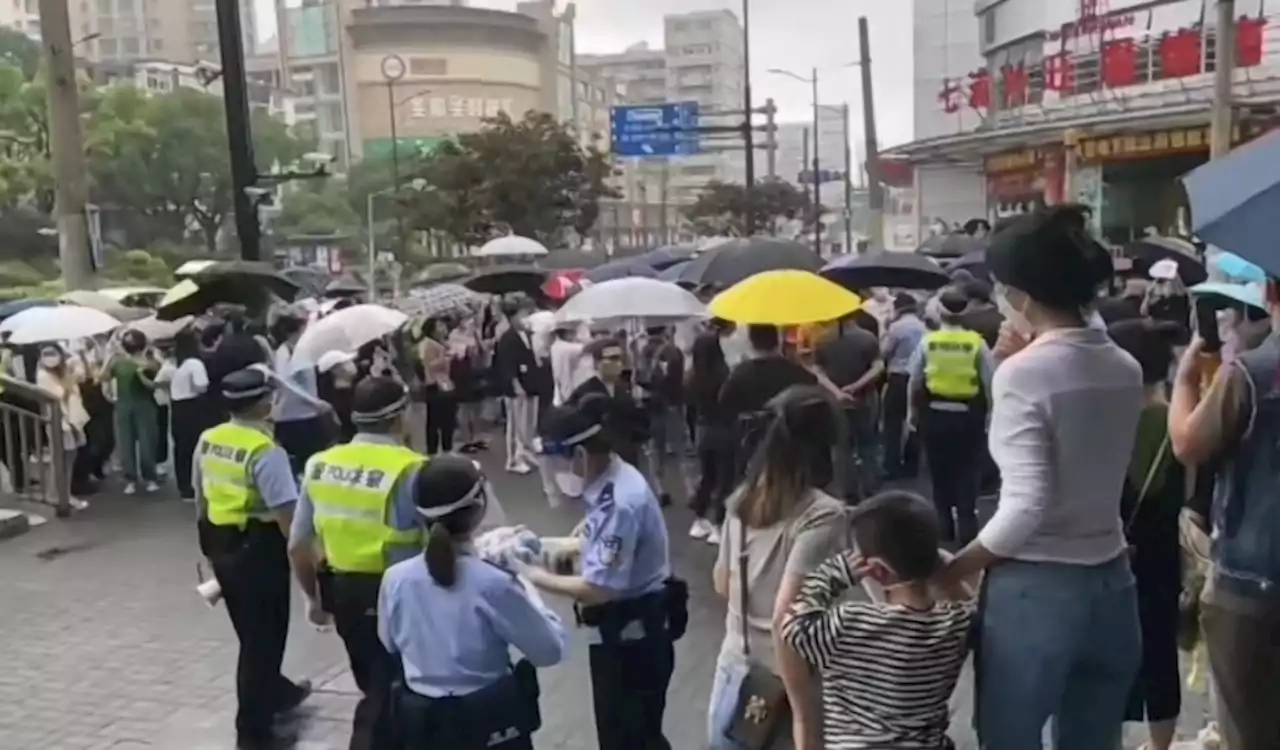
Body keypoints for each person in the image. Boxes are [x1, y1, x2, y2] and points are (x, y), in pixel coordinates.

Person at [934, 206, 1143, 750]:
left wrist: (956, 566)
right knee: (1093, 737)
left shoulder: (1022, 375)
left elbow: (1026, 507)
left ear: (1021, 296)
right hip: (1114, 584)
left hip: (1037, 592)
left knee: (1009, 737)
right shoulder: (1125, 367)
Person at [521, 395, 685, 750]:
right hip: (630, 632)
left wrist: (530, 575)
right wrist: (540, 546)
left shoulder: (620, 502)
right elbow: (591, 540)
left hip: (633, 639)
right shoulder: (613, 478)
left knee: (628, 739)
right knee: (638, 736)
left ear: (579, 456)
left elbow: (598, 587)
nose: (553, 472)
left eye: (556, 462)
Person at [381, 454, 567, 749]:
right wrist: (526, 582)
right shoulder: (494, 583)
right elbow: (550, 651)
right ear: (479, 507)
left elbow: (390, 643)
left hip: (422, 726)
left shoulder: (395, 578)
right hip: (487, 724)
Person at [1167, 271, 1280, 750]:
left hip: (1253, 581)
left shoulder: (1253, 372)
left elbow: (1187, 443)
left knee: (1251, 730)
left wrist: (1187, 378)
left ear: (1270, 294)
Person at [707, 385, 848, 750]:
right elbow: (788, 620)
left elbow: (722, 583)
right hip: (788, 684)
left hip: (734, 672)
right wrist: (805, 718)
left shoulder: (742, 498)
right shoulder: (822, 515)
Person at [289, 377, 426, 750]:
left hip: (344, 592)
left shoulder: (320, 464)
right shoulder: (413, 468)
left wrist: (314, 600)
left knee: (372, 680)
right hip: (401, 594)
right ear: (400, 416)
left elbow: (298, 545)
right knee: (392, 690)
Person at [781, 491, 975, 750]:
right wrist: (939, 567)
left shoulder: (849, 624)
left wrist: (835, 573)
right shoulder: (956, 625)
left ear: (878, 570)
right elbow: (970, 605)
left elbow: (793, 624)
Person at [194, 367, 311, 749]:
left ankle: (278, 692)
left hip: (221, 543)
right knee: (263, 641)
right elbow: (288, 522)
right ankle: (255, 734)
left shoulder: (209, 439)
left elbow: (201, 496)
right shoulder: (266, 452)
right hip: (259, 550)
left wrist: (210, 549)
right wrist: (308, 570)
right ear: (264, 403)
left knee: (251, 632)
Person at [1106, 319, 1186, 750]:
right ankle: (1161, 747)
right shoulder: (1183, 423)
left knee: (1105, 659)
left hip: (1110, 554)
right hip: (1164, 557)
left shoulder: (1103, 424)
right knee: (1160, 655)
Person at [908, 287, 995, 546]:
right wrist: (991, 415)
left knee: (939, 473)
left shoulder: (928, 341)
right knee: (968, 472)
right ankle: (968, 528)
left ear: (940, 311)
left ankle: (944, 526)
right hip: (969, 416)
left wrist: (911, 414)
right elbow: (990, 382)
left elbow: (915, 381)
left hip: (935, 416)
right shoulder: (976, 342)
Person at [718, 325, 817, 472]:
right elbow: (813, 387)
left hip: (753, 444)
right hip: (790, 442)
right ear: (778, 341)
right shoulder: (794, 371)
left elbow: (723, 401)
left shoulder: (741, 372)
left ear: (751, 342)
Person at [815, 314, 885, 500]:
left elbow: (818, 371)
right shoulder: (867, 338)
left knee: (841, 447)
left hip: (835, 402)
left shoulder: (822, 340)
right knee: (868, 444)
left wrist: (837, 392)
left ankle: (848, 491)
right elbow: (878, 367)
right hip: (864, 398)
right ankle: (870, 488)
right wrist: (856, 386)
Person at [567, 337, 648, 469]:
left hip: (626, 460)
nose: (619, 364)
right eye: (612, 358)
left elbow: (638, 426)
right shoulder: (584, 393)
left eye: (621, 359)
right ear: (597, 363)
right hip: (598, 463)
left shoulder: (624, 389)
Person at [271, 312, 335, 475]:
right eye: (302, 331)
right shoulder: (284, 352)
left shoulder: (303, 351)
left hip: (309, 413)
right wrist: (313, 401)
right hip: (292, 416)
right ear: (291, 333)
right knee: (299, 460)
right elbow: (285, 382)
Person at [687, 330, 732, 545]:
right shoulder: (724, 374)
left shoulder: (692, 376)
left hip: (702, 430)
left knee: (707, 477)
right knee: (724, 479)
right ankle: (718, 524)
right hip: (724, 429)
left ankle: (699, 519)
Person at [157, 329, 211, 502]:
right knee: (195, 447)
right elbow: (202, 387)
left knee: (181, 448)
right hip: (193, 406)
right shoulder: (195, 363)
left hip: (177, 407)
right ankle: (196, 485)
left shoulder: (175, 364)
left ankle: (184, 486)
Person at [637, 326, 687, 508]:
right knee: (681, 448)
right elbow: (678, 381)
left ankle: (660, 489)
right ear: (665, 329)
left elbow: (638, 378)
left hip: (651, 404)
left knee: (655, 449)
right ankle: (690, 490)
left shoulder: (642, 350)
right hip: (672, 405)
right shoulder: (674, 351)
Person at [107, 329, 161, 494]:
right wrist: (109, 358)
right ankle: (130, 479)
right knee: (125, 445)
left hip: (144, 406)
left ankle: (150, 477)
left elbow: (155, 382)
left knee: (147, 444)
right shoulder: (118, 362)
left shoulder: (149, 362)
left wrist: (143, 369)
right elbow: (102, 377)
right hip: (124, 406)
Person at [35, 344, 89, 507]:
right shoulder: (43, 375)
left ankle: (62, 492)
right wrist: (68, 381)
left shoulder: (64, 371)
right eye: (46, 353)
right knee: (60, 459)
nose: (50, 357)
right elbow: (57, 394)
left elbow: (81, 379)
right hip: (58, 422)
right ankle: (58, 494)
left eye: (53, 353)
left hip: (72, 419)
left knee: (69, 458)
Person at [881, 294, 927, 479]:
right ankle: (911, 465)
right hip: (918, 378)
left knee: (892, 423)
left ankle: (891, 465)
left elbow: (885, 352)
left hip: (898, 378)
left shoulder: (896, 328)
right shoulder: (924, 328)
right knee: (915, 422)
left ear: (898, 308)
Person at [493, 302, 541, 474]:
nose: (525, 318)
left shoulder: (526, 334)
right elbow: (507, 365)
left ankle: (526, 452)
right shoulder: (507, 338)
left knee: (528, 423)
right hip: (515, 388)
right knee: (515, 424)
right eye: (522, 315)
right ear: (512, 317)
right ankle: (513, 459)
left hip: (530, 383)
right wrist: (516, 385)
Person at [419, 317, 458, 455]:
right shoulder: (428, 344)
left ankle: (448, 448)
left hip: (446, 384)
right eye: (439, 326)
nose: (443, 328)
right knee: (434, 421)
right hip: (435, 385)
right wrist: (445, 357)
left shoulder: (442, 343)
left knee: (448, 419)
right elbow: (429, 364)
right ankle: (433, 450)